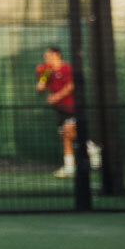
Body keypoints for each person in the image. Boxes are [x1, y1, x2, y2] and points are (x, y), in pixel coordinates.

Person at [36, 46, 100, 177]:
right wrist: (41, 83)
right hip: (59, 109)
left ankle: (70, 167)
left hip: (71, 107)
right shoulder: (47, 71)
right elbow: (41, 86)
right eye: (45, 56)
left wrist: (56, 96)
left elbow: (71, 85)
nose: (46, 58)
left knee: (67, 134)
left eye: (48, 56)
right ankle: (92, 149)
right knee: (67, 136)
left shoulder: (66, 68)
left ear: (56, 55)